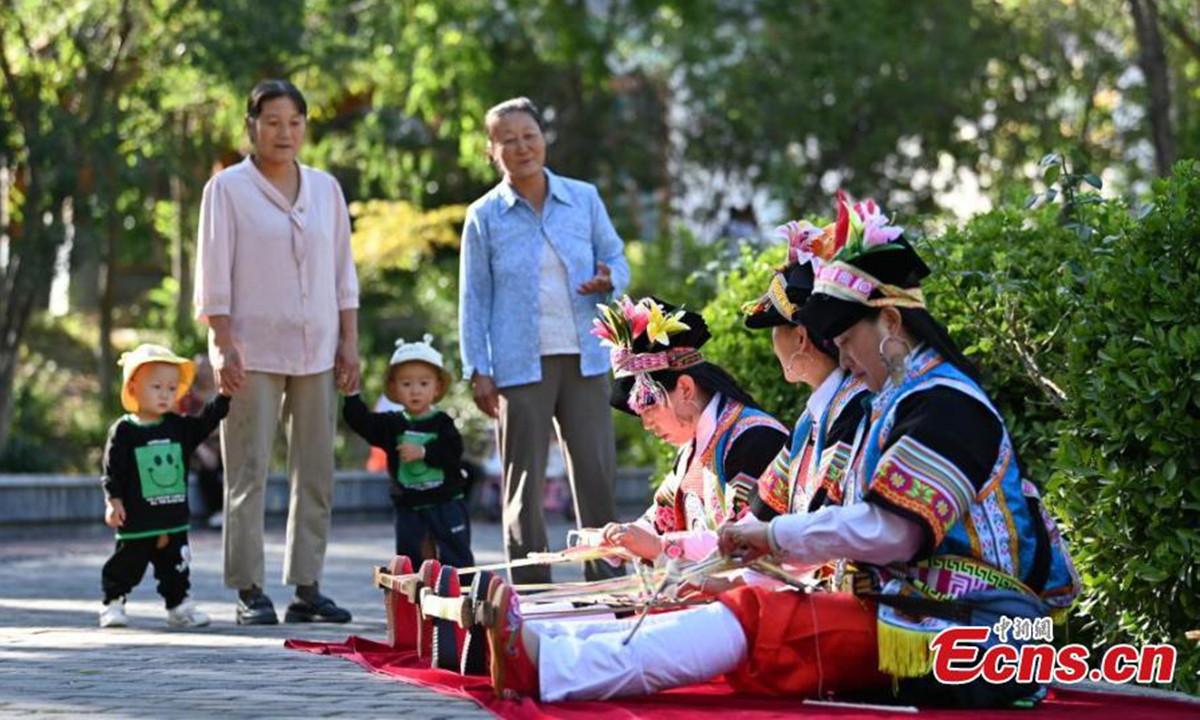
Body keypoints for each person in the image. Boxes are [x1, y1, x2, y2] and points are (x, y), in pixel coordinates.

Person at [484, 192, 1081, 708]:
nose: (843, 359)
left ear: (892, 323)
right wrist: (727, 551)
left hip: (978, 638)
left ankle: (553, 666)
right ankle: (551, 654)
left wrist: (767, 542)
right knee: (749, 609)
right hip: (918, 617)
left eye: (847, 340)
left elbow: (893, 533)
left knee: (763, 619)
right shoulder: (892, 405)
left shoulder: (948, 406)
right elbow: (801, 532)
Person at [194, 78, 359, 625]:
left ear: (305, 127)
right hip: (251, 353)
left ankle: (307, 587)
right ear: (251, 126)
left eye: (294, 122)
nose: (284, 133)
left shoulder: (326, 189)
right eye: (272, 122)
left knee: (315, 472)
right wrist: (221, 345)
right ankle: (248, 589)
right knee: (248, 471)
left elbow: (343, 275)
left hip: (318, 351)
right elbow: (213, 273)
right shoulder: (227, 190)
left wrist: (349, 345)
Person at [458, 96, 630, 584]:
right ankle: (531, 593)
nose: (521, 147)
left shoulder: (584, 198)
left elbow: (617, 258)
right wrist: (478, 368)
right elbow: (473, 299)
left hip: (585, 357)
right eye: (507, 140)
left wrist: (608, 277)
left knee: (596, 478)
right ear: (492, 151)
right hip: (517, 365)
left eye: (529, 135)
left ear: (543, 138)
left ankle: (608, 582)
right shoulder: (484, 216)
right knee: (523, 486)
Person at [593, 296, 787, 563]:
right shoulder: (693, 447)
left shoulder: (755, 438)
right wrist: (626, 537)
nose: (647, 424)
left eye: (649, 406)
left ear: (685, 388)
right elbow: (658, 522)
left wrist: (661, 547)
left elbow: (746, 540)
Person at [741, 219, 871, 520]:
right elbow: (762, 512)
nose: (772, 343)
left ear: (801, 338)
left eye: (775, 329)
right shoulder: (812, 418)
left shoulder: (854, 407)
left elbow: (820, 522)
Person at [99, 344, 230, 628]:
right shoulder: (124, 431)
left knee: (176, 566)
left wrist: (225, 396)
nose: (164, 394)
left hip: (173, 520)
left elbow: (206, 422)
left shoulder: (178, 427)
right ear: (133, 389)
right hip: (137, 520)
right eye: (156, 386)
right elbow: (113, 471)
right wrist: (114, 501)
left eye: (172, 388)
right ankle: (114, 601)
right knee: (126, 565)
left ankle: (178, 605)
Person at [342, 335, 473, 568]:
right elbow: (363, 422)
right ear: (393, 388)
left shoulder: (443, 423)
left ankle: (460, 593)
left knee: (456, 555)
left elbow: (453, 451)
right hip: (409, 507)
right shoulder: (392, 425)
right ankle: (414, 597)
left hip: (445, 502)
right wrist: (351, 395)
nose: (415, 391)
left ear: (437, 387)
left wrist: (423, 451)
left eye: (424, 383)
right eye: (406, 384)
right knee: (411, 558)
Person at [178, 353, 225, 528]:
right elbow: (183, 425)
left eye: (208, 368)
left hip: (221, 444)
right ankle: (216, 510)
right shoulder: (187, 398)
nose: (204, 373)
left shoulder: (222, 392)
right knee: (207, 466)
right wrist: (201, 447)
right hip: (197, 446)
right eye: (201, 369)